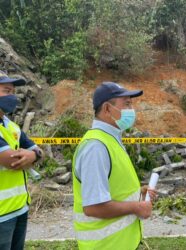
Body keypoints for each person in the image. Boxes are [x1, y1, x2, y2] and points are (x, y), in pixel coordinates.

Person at [72, 82, 156, 250]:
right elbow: (93, 207)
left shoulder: (110, 139)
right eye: (126, 104)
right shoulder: (96, 147)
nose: (131, 110)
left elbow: (110, 187)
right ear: (107, 109)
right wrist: (137, 207)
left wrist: (139, 194)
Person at [0, 70, 43, 250]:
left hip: (19, 208)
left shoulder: (11, 126)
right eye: (6, 91)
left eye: (12, 92)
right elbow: (12, 161)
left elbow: (39, 152)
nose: (12, 96)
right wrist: (32, 155)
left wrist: (33, 155)